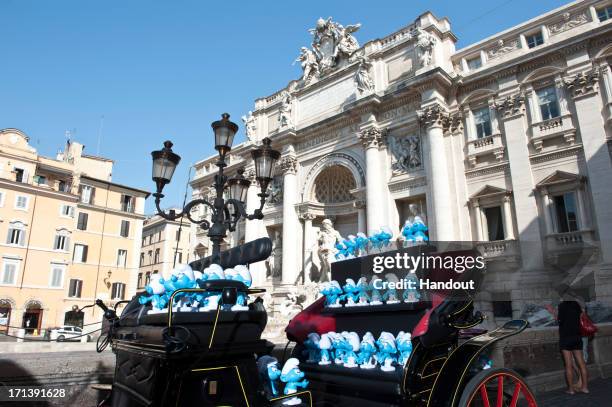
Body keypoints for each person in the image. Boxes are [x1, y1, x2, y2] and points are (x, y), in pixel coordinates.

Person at [557, 289, 589, 394]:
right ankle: (585, 388)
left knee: (568, 365)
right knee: (582, 364)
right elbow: (582, 317)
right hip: (577, 337)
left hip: (565, 338)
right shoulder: (577, 306)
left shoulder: (561, 306)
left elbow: (559, 320)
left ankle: (571, 390)